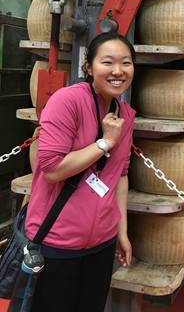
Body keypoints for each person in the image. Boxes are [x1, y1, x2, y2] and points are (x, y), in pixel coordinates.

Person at [25, 32, 136, 312]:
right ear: (88, 67)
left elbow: (120, 175)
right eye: (107, 62)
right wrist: (105, 142)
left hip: (102, 242)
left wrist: (121, 232)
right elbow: (51, 169)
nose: (118, 71)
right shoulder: (68, 101)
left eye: (126, 63)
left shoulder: (126, 114)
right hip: (58, 242)